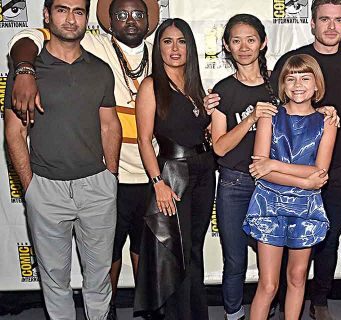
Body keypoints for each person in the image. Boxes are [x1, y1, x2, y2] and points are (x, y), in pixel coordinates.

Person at [7, 1, 160, 317]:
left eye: (78, 11)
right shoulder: (28, 69)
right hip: (46, 189)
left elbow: (109, 124)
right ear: (47, 15)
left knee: (99, 279)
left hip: (97, 188)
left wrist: (109, 175)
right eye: (62, 10)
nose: (71, 18)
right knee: (54, 281)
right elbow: (14, 133)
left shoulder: (99, 69)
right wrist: (31, 189)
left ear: (86, 18)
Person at [269, 1, 341, 318]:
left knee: (329, 236)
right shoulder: (293, 62)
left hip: (340, 167)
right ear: (312, 22)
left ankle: (319, 300)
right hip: (293, 169)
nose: (332, 26)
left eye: (339, 20)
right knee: (285, 237)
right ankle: (284, 301)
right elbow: (276, 112)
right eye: (325, 19)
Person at [245, 54, 337, 320]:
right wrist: (304, 180)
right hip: (268, 205)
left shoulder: (327, 121)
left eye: (305, 78)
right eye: (291, 78)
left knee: (297, 278)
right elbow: (259, 170)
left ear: (316, 84)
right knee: (269, 284)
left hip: (305, 207)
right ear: (283, 85)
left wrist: (274, 165)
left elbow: (320, 173)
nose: (298, 84)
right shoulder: (270, 116)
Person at [133, 18, 215, 320]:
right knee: (176, 252)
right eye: (167, 41)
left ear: (190, 47)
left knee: (193, 249)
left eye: (181, 41)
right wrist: (157, 182)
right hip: (173, 174)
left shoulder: (195, 85)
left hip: (205, 170)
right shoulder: (152, 85)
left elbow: (197, 131)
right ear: (159, 48)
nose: (175, 48)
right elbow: (144, 140)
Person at [208, 14, 279, 320]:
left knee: (274, 262)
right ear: (227, 45)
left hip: (273, 183)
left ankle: (269, 310)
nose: (244, 46)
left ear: (262, 43)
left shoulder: (279, 84)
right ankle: (233, 315)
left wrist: (329, 112)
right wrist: (251, 118)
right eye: (236, 40)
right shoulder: (222, 90)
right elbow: (220, 146)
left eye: (251, 39)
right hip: (234, 184)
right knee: (235, 260)